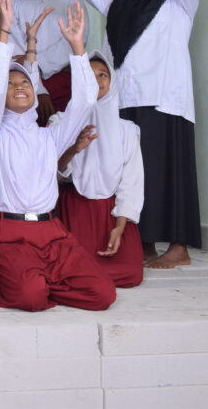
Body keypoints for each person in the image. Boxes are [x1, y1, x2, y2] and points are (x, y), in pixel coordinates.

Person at [42, 0, 198, 269]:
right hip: (125, 99)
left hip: (165, 99)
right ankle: (144, 242)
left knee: (170, 172)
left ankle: (179, 247)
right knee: (135, 172)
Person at [0, 0, 116, 311]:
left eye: (24, 81)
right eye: (11, 83)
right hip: (9, 234)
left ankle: (36, 279)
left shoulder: (49, 136)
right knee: (31, 297)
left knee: (103, 294)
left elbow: (84, 101)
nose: (19, 86)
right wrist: (4, 32)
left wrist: (77, 47)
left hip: (52, 233)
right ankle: (21, 279)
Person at [56, 52, 145, 288]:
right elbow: (52, 173)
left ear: (112, 81)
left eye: (102, 75)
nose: (96, 80)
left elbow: (132, 183)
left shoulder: (127, 131)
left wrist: (120, 227)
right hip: (75, 208)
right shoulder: (61, 122)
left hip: (112, 214)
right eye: (88, 75)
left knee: (131, 273)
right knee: (71, 271)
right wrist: (74, 149)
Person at [8, 0, 88, 122]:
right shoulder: (10, 5)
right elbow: (15, 53)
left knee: (72, 137)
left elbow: (75, 44)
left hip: (68, 82)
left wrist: (33, 60)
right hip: (25, 85)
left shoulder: (71, 0)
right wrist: (38, 88)